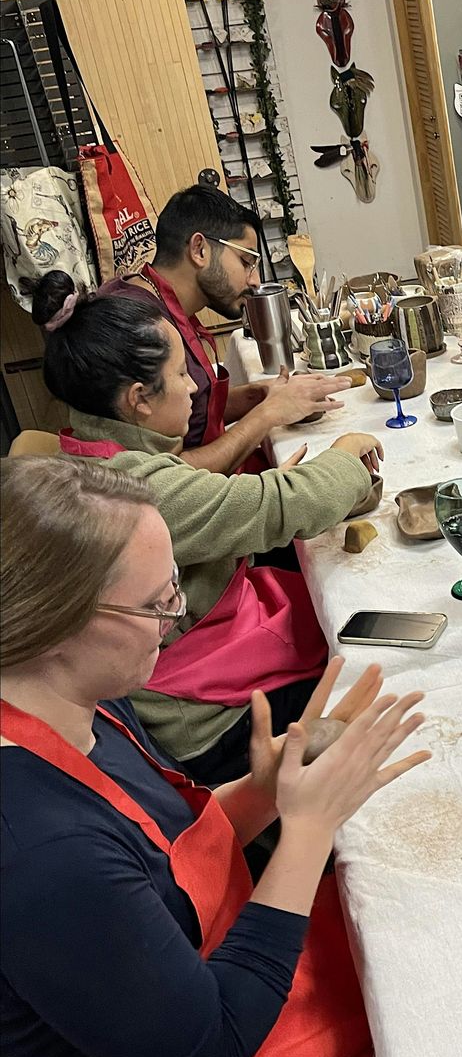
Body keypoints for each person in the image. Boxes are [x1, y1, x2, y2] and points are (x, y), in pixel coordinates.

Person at [0, 456, 430, 1057]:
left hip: (213, 1022)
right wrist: (307, 831)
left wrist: (268, 793)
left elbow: (165, 865)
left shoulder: (73, 697)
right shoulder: (35, 848)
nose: (182, 613)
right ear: (56, 620)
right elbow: (207, 1053)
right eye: (159, 600)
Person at [33, 271, 382, 782]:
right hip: (205, 721)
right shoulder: (128, 492)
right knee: (371, 675)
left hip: (198, 662)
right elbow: (276, 506)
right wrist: (347, 457)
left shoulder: (100, 452)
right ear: (138, 399)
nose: (195, 386)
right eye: (180, 375)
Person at [106, 183, 349, 474]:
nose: (256, 281)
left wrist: (264, 394)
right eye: (247, 261)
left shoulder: (158, 298)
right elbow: (167, 478)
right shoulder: (136, 328)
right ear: (199, 250)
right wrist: (268, 413)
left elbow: (195, 409)